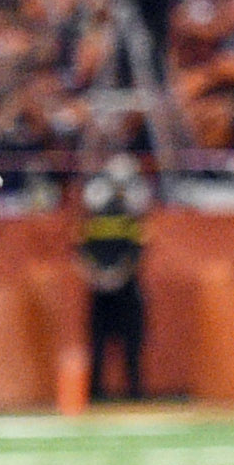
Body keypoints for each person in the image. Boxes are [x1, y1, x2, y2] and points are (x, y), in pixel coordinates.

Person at [79, 159, 150, 402]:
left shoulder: (125, 221)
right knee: (100, 344)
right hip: (111, 287)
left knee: (129, 344)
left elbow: (136, 254)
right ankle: (100, 391)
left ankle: (131, 391)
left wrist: (107, 277)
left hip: (118, 287)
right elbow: (82, 255)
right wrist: (104, 277)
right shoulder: (95, 221)